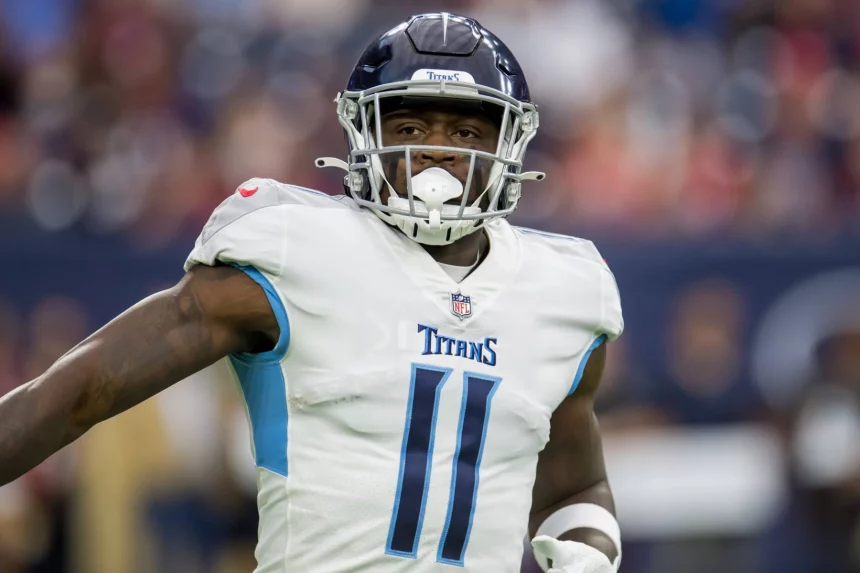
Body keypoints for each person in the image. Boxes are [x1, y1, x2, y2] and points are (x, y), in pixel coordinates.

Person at [0, 13, 624, 573]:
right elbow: (80, 390)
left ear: (509, 143)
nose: (438, 152)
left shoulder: (561, 292)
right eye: (410, 126)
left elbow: (576, 487)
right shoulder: (293, 249)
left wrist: (587, 553)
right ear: (364, 133)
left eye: (465, 132)